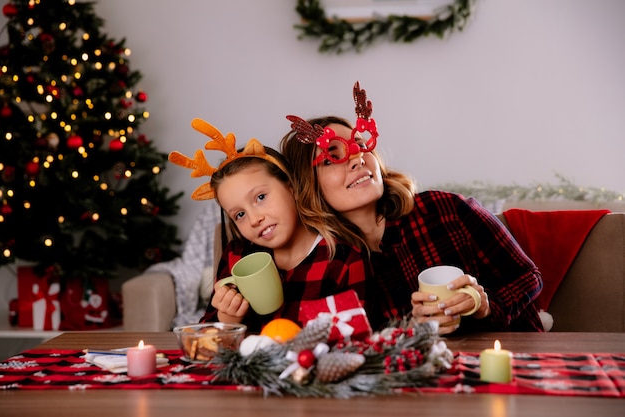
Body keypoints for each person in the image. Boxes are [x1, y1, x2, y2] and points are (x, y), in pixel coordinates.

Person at [279, 82, 544, 334]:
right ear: (308, 186)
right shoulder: (332, 265)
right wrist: (409, 329)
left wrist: (485, 306)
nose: (356, 159)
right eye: (331, 158)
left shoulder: (445, 209)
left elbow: (528, 275)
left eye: (361, 145)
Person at [168, 118, 376, 333]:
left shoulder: (343, 260)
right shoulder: (237, 257)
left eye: (260, 197)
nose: (254, 219)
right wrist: (227, 320)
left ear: (291, 187)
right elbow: (209, 340)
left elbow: (357, 343)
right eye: (239, 214)